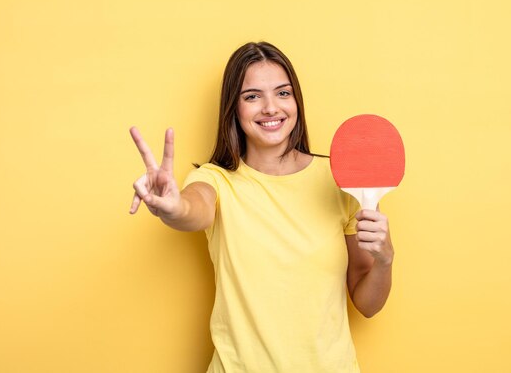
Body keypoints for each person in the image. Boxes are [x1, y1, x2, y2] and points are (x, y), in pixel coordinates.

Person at [129, 41, 394, 373]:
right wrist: (172, 206)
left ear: (296, 101)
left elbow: (368, 305)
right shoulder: (214, 181)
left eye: (283, 93)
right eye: (252, 96)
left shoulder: (341, 180)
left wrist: (385, 261)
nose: (270, 108)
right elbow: (193, 209)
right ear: (234, 108)